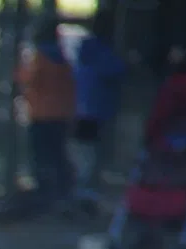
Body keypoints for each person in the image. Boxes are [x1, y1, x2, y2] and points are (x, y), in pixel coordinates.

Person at [17, 17, 76, 209]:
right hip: (61, 115)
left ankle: (45, 193)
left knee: (41, 156)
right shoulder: (62, 58)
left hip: (41, 114)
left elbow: (28, 79)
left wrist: (19, 71)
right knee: (58, 154)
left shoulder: (40, 58)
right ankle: (62, 191)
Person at [71, 8, 125, 209]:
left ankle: (85, 192)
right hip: (93, 111)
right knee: (89, 155)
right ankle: (84, 193)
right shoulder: (100, 51)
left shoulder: (86, 50)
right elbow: (117, 69)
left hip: (85, 109)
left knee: (87, 154)